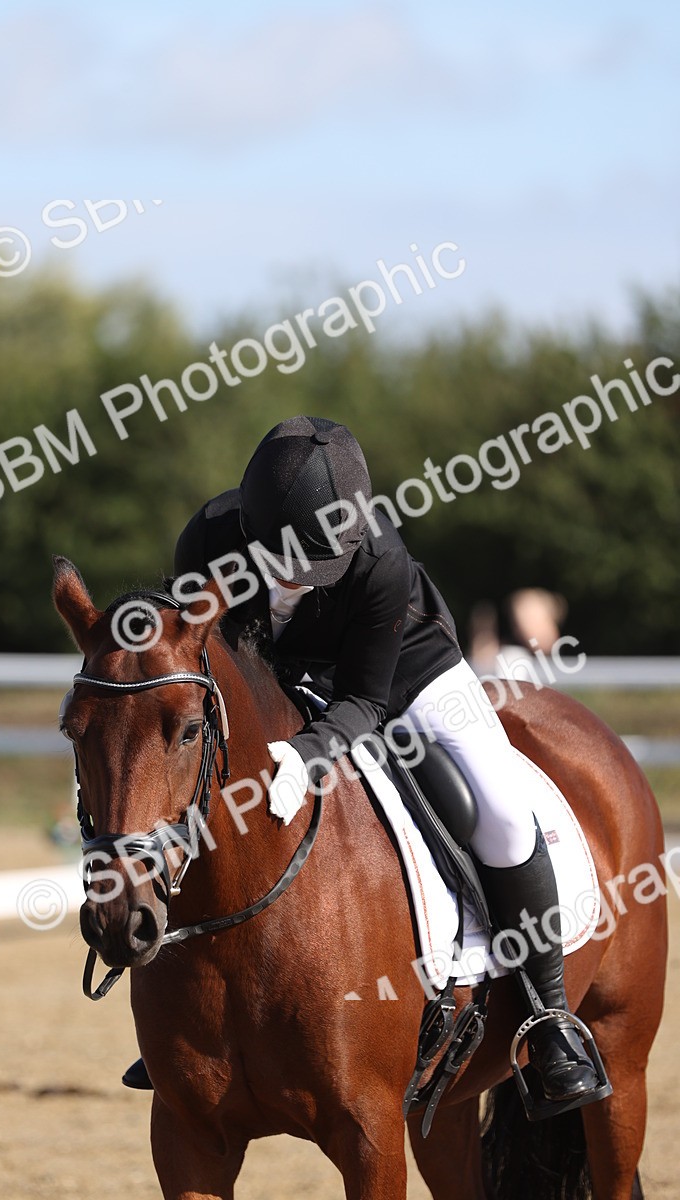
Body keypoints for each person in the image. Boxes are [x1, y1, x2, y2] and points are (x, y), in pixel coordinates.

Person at [123, 415, 600, 1108]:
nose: (307, 578)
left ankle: (548, 1014)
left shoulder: (378, 561)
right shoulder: (207, 541)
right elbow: (203, 665)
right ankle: (184, 1021)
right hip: (277, 682)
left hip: (406, 676)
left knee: (497, 809)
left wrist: (305, 755)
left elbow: (366, 702)